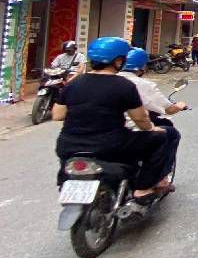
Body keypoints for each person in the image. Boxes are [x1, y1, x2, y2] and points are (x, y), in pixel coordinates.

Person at [52, 37, 174, 200]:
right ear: (118, 61)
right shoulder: (124, 85)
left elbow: (58, 115)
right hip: (110, 144)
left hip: (68, 145)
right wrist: (152, 128)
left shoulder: (74, 83)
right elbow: (140, 119)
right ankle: (143, 188)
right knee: (160, 138)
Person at [120, 48, 187, 172]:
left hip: (99, 132)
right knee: (171, 134)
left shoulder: (97, 81)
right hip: (128, 132)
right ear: (142, 66)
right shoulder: (141, 84)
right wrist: (179, 106)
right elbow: (165, 110)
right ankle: (158, 177)